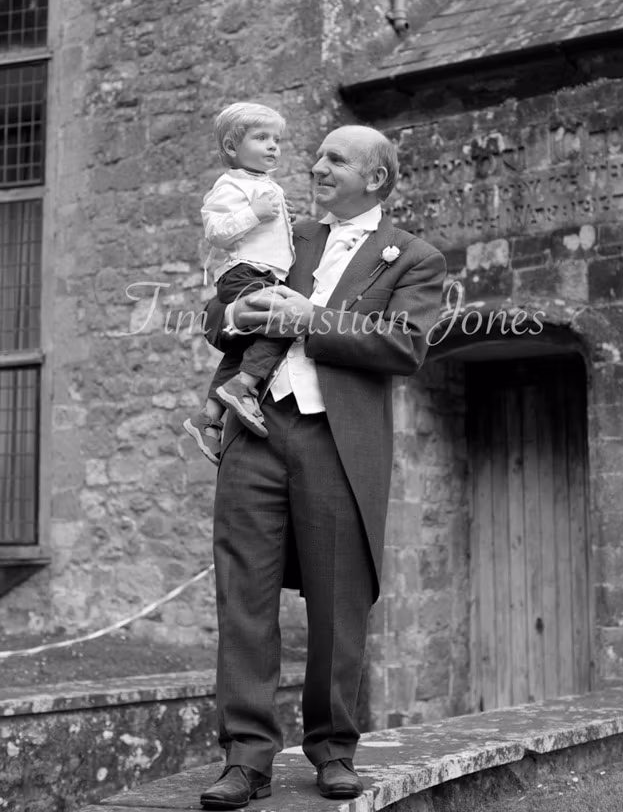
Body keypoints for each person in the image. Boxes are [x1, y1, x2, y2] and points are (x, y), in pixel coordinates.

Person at [199, 125, 446, 809]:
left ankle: (333, 748)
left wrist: (313, 318)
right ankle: (245, 759)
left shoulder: (415, 258)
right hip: (255, 432)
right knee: (242, 595)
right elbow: (218, 307)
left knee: (339, 602)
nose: (315, 167)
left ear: (377, 178)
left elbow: (404, 345)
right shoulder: (289, 233)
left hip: (337, 442)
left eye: (335, 159)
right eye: (317, 157)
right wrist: (233, 311)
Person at [183, 101, 294, 461]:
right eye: (261, 138)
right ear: (232, 147)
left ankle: (209, 417)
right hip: (244, 272)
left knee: (241, 349)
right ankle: (244, 386)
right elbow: (216, 231)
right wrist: (254, 213)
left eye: (276, 139)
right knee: (286, 321)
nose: (273, 145)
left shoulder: (263, 184)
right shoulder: (229, 185)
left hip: (262, 271)